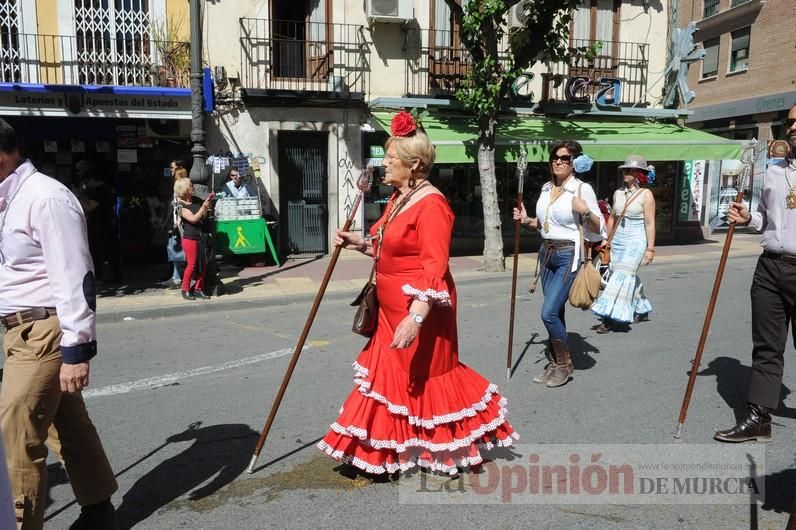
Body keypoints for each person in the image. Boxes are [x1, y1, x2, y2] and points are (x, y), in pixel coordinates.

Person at [318, 112, 518, 476]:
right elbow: (386, 247)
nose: (384, 166)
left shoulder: (433, 205)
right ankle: (385, 450)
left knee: (423, 378)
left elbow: (433, 268)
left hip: (421, 309)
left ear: (415, 165)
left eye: (391, 160)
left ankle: (437, 448)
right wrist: (359, 243)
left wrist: (415, 318)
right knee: (387, 380)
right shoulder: (399, 198)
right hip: (388, 309)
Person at [0, 118, 118, 528]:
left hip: (43, 333)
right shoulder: (10, 200)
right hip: (23, 331)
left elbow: (74, 275)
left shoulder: (46, 197)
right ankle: (99, 509)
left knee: (15, 436)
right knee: (65, 424)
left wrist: (76, 351)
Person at [714, 104, 796, 443]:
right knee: (766, 346)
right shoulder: (774, 171)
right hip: (770, 266)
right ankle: (758, 418)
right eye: (790, 121)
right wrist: (749, 219)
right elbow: (765, 218)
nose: (793, 127)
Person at [513, 140, 605, 387]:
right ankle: (556, 362)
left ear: (575, 162)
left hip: (568, 255)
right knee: (557, 312)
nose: (558, 161)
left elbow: (600, 229)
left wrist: (585, 212)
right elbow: (547, 225)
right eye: (555, 157)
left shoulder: (581, 189)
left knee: (549, 312)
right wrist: (527, 220)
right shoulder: (545, 188)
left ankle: (564, 365)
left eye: (565, 158)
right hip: (546, 253)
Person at [591, 155, 656, 332]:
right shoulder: (618, 193)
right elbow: (612, 217)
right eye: (624, 170)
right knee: (621, 275)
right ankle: (641, 308)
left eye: (630, 170)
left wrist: (650, 248)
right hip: (618, 239)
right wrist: (606, 239)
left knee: (621, 277)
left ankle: (609, 318)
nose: (625, 173)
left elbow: (650, 223)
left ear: (639, 174)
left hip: (636, 239)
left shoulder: (646, 195)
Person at [173, 177, 214, 301]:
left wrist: (206, 206)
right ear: (184, 189)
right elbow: (193, 219)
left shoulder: (195, 200)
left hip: (201, 236)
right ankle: (185, 289)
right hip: (190, 238)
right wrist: (202, 208)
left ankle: (198, 288)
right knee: (191, 265)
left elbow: (203, 216)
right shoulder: (180, 206)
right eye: (191, 185)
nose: (193, 187)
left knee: (204, 264)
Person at [161, 161, 187, 288]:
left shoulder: (180, 192)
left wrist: (173, 224)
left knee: (177, 251)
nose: (171, 172)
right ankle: (176, 276)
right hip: (174, 224)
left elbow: (176, 210)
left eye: (172, 169)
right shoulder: (175, 194)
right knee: (174, 251)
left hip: (177, 225)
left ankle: (177, 277)